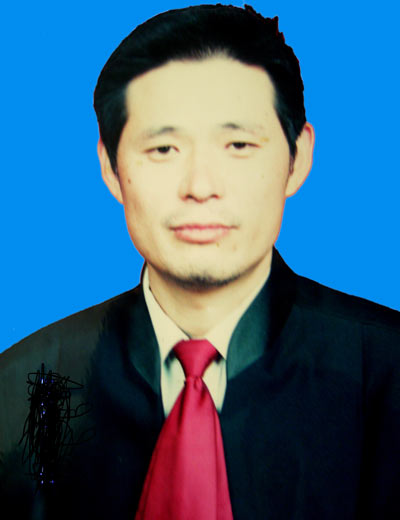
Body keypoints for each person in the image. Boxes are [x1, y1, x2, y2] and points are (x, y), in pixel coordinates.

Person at [1, 4, 399, 519]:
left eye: (238, 144)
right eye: (164, 149)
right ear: (110, 167)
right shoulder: (27, 388)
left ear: (297, 157)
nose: (200, 186)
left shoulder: (387, 371)